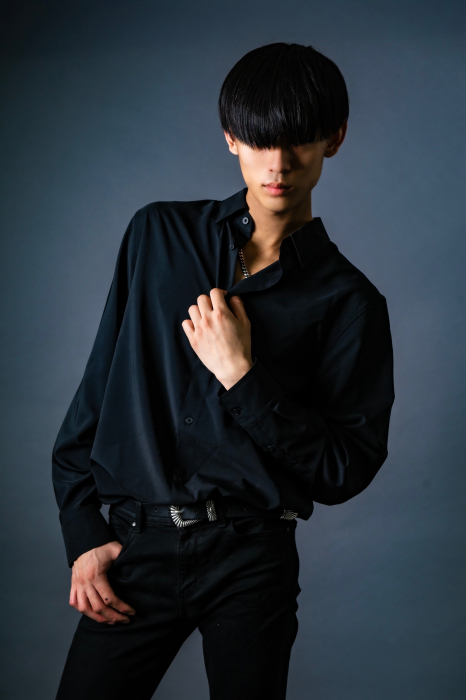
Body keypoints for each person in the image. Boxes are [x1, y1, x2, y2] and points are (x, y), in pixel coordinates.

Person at [52, 42, 395, 700]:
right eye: (260, 140)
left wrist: (242, 376)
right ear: (231, 138)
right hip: (137, 548)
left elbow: (344, 469)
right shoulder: (157, 236)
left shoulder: (349, 302)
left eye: (299, 140)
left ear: (335, 139)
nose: (278, 164)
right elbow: (95, 398)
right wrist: (83, 534)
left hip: (252, 560)